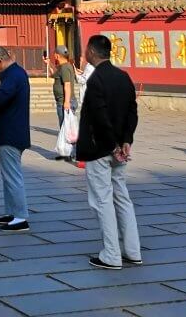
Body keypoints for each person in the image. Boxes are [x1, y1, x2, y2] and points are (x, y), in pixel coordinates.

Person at [78, 34, 142, 270]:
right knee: (122, 197)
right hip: (118, 149)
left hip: (100, 149)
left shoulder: (97, 80)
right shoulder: (123, 77)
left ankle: (112, 254)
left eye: (86, 49)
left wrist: (114, 143)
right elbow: (132, 112)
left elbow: (100, 116)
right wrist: (126, 140)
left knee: (102, 200)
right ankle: (133, 251)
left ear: (92, 52)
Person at [0, 46, 31, 232]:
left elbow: (2, 97)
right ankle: (12, 212)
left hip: (11, 132)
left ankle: (20, 217)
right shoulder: (16, 73)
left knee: (13, 175)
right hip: (11, 130)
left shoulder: (13, 75)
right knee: (8, 175)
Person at [51, 45, 77, 161]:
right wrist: (48, 64)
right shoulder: (62, 67)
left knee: (68, 129)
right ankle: (66, 151)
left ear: (57, 55)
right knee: (64, 127)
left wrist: (66, 102)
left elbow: (67, 85)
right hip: (62, 101)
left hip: (65, 102)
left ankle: (72, 153)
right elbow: (55, 75)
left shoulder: (65, 68)